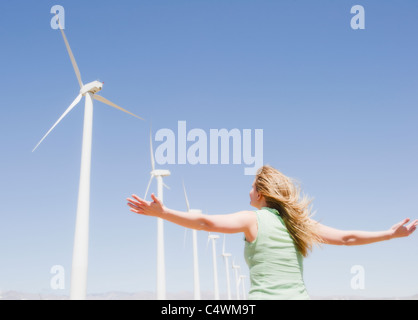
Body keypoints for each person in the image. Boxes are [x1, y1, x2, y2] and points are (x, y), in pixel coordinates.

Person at [126, 165, 417, 300]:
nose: (248, 190)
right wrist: (390, 234)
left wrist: (163, 214)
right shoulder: (298, 225)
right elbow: (345, 238)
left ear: (262, 193)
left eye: (252, 186)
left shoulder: (252, 219)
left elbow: (205, 223)